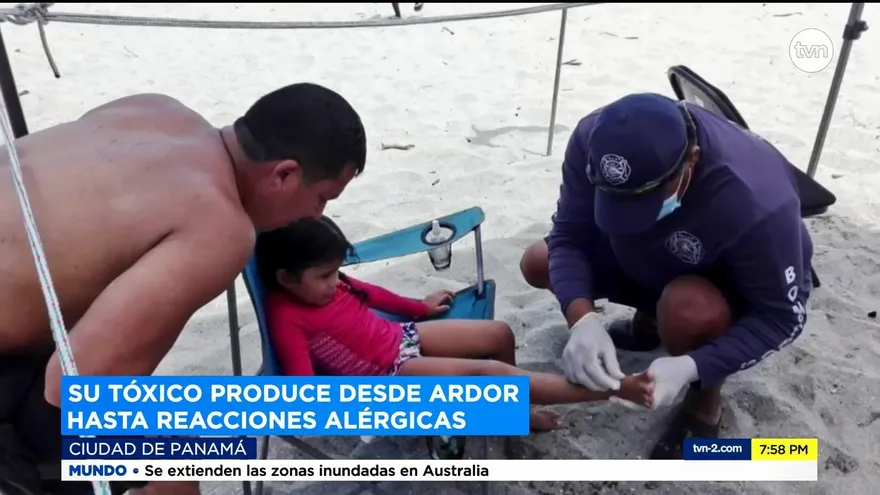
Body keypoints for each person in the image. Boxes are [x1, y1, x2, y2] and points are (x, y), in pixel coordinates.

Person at [0, 83, 366, 495]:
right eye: (321, 198)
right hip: (21, 368)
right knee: (173, 475)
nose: (314, 216)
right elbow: (73, 386)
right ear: (283, 174)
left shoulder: (155, 108)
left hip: (23, 335)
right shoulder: (221, 227)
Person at [518, 93, 812, 458]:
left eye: (644, 201)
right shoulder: (592, 139)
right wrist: (583, 320)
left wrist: (692, 366)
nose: (628, 216)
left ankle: (704, 402)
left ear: (692, 161)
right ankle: (650, 322)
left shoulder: (756, 199)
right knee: (539, 260)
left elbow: (783, 317)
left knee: (687, 309)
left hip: (718, 279)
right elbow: (568, 234)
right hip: (649, 258)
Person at [255, 216, 655, 430]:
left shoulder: (327, 282)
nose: (334, 281)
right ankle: (618, 390)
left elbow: (372, 296)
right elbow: (301, 389)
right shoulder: (288, 316)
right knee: (490, 372)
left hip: (400, 336)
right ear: (287, 278)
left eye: (335, 272)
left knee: (499, 333)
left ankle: (510, 413)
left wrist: (419, 308)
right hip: (389, 374)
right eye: (324, 276)